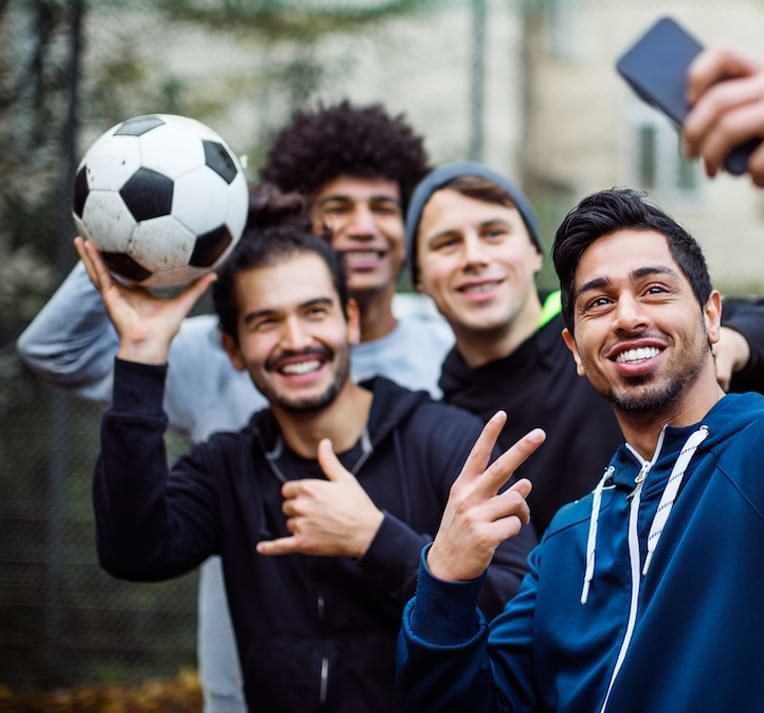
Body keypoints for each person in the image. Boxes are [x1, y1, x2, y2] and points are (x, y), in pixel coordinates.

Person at [397, 45, 764, 712]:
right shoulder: (566, 537)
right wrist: (444, 578)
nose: (625, 315)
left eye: (653, 289)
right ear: (575, 349)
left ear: (712, 316)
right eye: (597, 301)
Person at [16, 102, 452, 712]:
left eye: (382, 207)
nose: (362, 227)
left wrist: (375, 540)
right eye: (337, 208)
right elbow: (54, 353)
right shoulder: (221, 357)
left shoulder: (443, 354)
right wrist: (128, 243)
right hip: (247, 689)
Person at [81, 219, 533, 711]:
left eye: (314, 312)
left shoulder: (448, 442)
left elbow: (516, 612)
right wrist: (142, 360)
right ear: (233, 349)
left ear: (351, 321)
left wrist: (376, 540)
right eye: (265, 322)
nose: (296, 340)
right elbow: (133, 551)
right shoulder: (228, 465)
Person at [404, 161, 764, 533]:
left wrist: (733, 342)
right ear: (418, 277)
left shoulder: (640, 327)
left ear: (533, 251)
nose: (474, 257)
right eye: (447, 244)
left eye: (494, 233)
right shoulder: (443, 422)